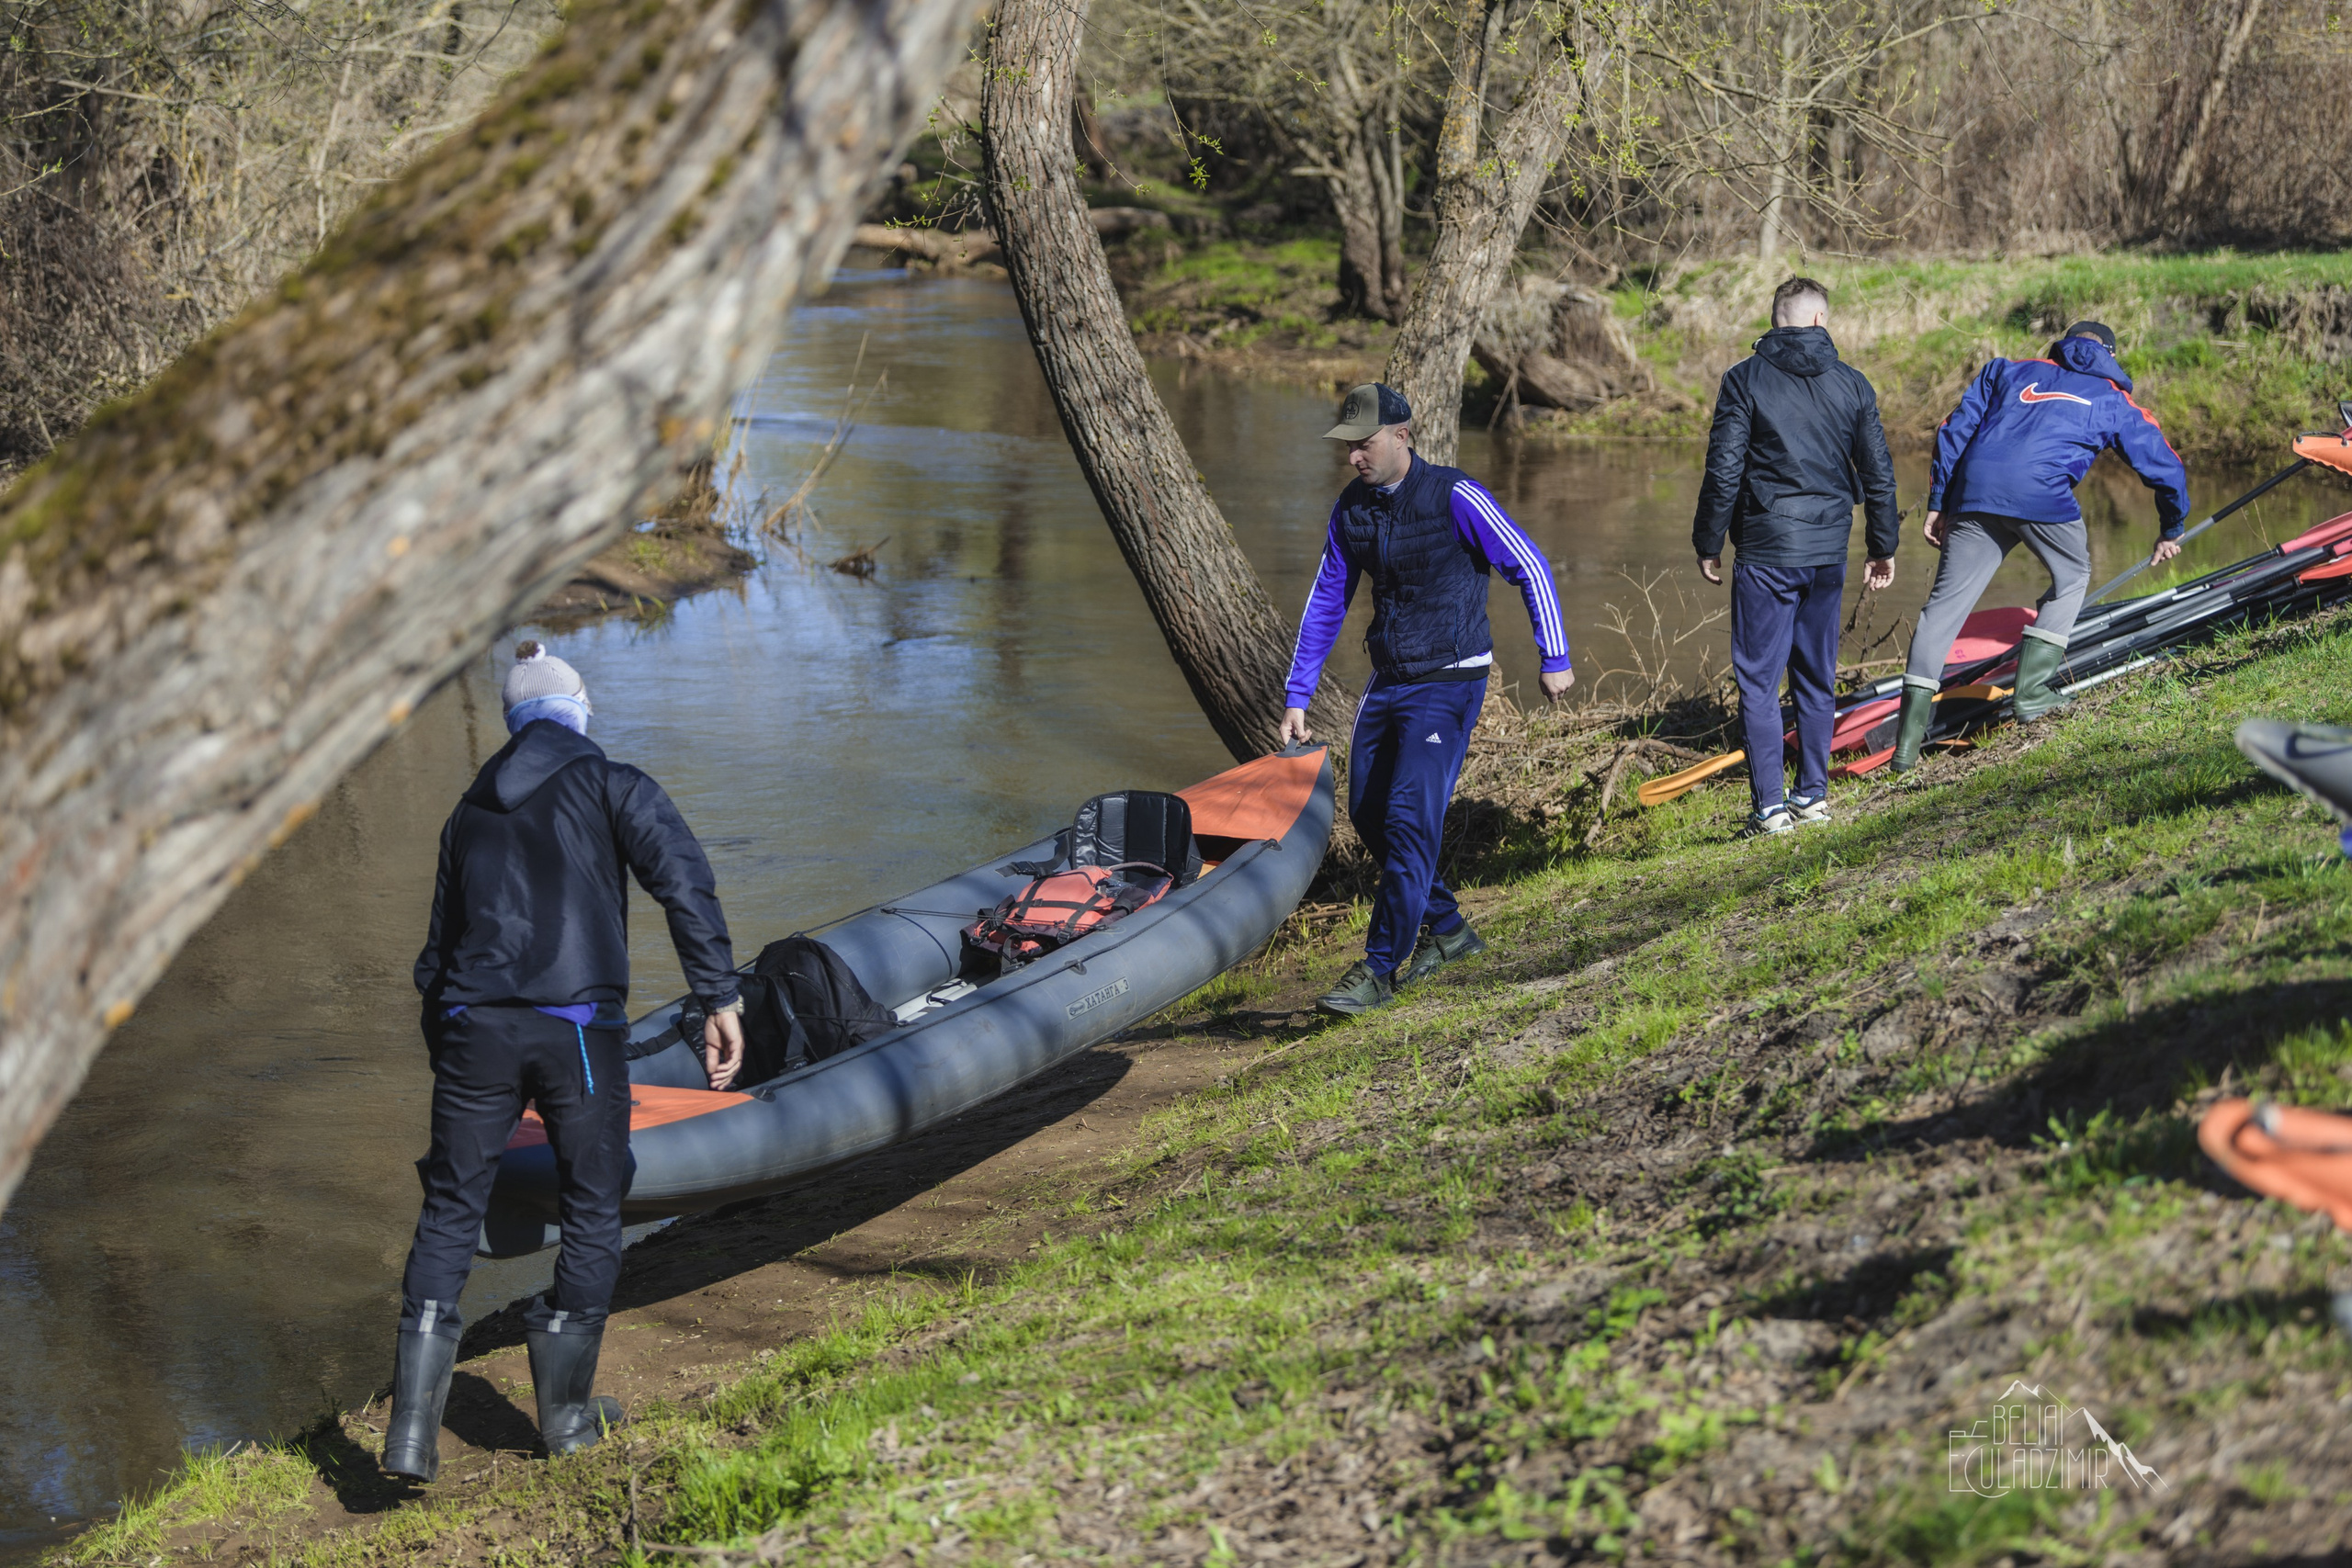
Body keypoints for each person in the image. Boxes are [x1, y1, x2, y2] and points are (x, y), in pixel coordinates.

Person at [381, 641, 748, 1481]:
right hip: (578, 1029)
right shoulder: (614, 782)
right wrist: (719, 997)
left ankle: (409, 1438)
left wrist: (455, 1056)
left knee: (448, 1208)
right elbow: (685, 884)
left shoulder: (467, 812)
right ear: (576, 710)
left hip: (474, 1028)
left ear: (513, 724)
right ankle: (569, 1419)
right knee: (592, 1200)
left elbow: (434, 960)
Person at [1280, 382, 1574, 1016]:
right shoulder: (1352, 509)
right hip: (1389, 680)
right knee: (1366, 812)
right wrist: (1297, 691)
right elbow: (1327, 598)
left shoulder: (1455, 495)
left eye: (1364, 445)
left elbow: (1530, 563)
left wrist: (1554, 656)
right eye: (1347, 447)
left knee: (1411, 819)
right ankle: (1448, 930)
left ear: (1402, 435)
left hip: (1449, 680)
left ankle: (1379, 967)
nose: (1354, 458)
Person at [1890, 321, 2190, 771]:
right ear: (2110, 353)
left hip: (1975, 491)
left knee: (1942, 609)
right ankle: (2031, 694)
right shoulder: (2113, 399)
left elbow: (1954, 429)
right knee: (2072, 577)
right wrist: (2171, 527)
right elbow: (2166, 466)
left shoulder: (2005, 371)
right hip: (2042, 496)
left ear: (2064, 344)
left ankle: (1906, 749)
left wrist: (1939, 503)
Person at [1692, 276, 1899, 838]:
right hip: (1829, 552)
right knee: (1815, 676)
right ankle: (1812, 796)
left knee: (1758, 682)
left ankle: (1770, 809)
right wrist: (1882, 546)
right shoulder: (1853, 384)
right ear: (1819, 321)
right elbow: (1878, 475)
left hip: (1766, 550)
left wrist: (1708, 543)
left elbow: (1724, 470)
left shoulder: (1743, 380)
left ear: (1777, 317)